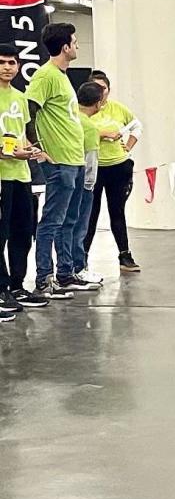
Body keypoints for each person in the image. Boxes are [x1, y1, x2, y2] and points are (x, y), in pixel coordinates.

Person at [25, 22, 88, 298]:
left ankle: (65, 273)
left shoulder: (62, 77)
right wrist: (37, 147)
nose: (77, 46)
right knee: (52, 220)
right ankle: (43, 277)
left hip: (74, 158)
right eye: (74, 42)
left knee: (69, 219)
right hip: (58, 160)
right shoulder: (46, 76)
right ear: (65, 47)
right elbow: (29, 111)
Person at [0, 43, 50, 313]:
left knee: (23, 232)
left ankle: (17, 285)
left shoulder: (20, 98)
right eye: (2, 62)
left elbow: (23, 132)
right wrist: (8, 152)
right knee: (1, 234)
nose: (8, 67)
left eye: (12, 62)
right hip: (2, 175)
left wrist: (33, 149)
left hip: (22, 175)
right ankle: (1, 289)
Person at [82, 71, 142, 274]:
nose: (101, 94)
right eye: (96, 89)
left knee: (117, 212)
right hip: (94, 167)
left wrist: (128, 146)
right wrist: (102, 133)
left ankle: (124, 255)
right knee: (90, 213)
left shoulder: (118, 108)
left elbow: (137, 126)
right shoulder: (81, 111)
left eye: (104, 89)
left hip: (118, 166)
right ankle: (82, 258)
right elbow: (77, 131)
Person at [69, 81, 104, 287]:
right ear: (98, 103)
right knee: (80, 227)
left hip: (67, 179)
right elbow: (90, 160)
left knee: (67, 226)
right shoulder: (89, 126)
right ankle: (78, 268)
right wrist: (89, 186)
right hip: (83, 183)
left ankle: (68, 267)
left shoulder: (71, 118)